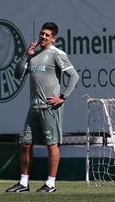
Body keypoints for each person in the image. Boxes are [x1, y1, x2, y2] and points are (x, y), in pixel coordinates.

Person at [5, 22, 79, 193]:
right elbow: (17, 75)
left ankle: (51, 184)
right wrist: (26, 54)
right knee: (25, 144)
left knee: (51, 145)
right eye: (42, 34)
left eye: (47, 35)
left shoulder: (57, 54)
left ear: (54, 38)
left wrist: (62, 97)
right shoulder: (34, 55)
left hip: (49, 108)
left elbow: (74, 76)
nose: (43, 37)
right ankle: (24, 183)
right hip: (34, 108)